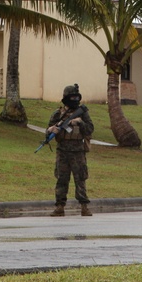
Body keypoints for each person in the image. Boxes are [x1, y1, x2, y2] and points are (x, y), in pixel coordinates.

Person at [47, 84, 94, 217]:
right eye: (71, 97)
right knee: (61, 179)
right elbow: (48, 130)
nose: (74, 99)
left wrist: (80, 122)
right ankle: (60, 207)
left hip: (78, 151)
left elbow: (90, 129)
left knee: (80, 179)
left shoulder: (83, 113)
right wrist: (52, 130)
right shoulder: (58, 113)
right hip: (62, 151)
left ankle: (84, 207)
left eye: (76, 97)